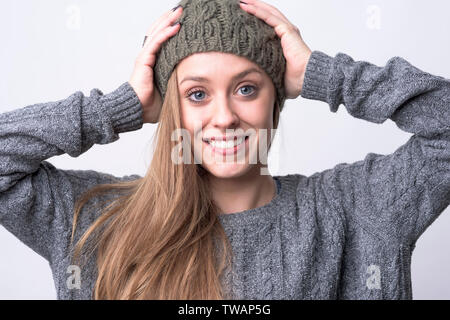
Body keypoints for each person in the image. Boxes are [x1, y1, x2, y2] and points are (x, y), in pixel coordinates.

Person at [0, 0, 448, 300]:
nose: (224, 117)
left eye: (247, 89)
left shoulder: (358, 207)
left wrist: (326, 75)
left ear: (277, 96)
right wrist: (118, 108)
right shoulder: (97, 220)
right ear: (170, 106)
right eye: (197, 94)